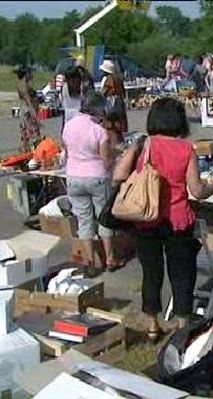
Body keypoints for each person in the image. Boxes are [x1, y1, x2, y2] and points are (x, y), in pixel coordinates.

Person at [112, 98, 213, 339]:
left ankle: (152, 324)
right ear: (179, 120)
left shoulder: (143, 143)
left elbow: (118, 174)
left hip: (146, 217)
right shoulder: (185, 149)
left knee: (151, 272)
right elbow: (196, 190)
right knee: (182, 272)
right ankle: (182, 323)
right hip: (177, 219)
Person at [63, 92, 117, 275]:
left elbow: (67, 152)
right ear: (98, 110)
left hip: (73, 176)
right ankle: (110, 257)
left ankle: (90, 260)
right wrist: (116, 157)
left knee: (84, 220)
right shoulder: (99, 131)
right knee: (104, 218)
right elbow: (106, 161)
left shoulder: (68, 126)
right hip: (96, 176)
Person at [100, 59, 128, 147]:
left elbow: (104, 93)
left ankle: (114, 146)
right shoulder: (118, 79)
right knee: (118, 128)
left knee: (111, 127)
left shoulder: (109, 80)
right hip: (119, 105)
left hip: (111, 106)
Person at [15, 65, 41, 152]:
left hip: (29, 111)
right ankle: (29, 153)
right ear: (25, 74)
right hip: (27, 113)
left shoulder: (27, 84)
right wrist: (36, 118)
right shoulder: (23, 87)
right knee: (31, 136)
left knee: (27, 135)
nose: (31, 74)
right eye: (29, 72)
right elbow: (29, 103)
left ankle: (28, 151)